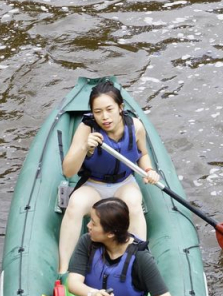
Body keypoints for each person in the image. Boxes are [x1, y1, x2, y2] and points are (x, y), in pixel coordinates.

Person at [59, 81, 161, 275]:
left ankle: (136, 264)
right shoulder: (87, 129)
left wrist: (148, 170)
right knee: (74, 204)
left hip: (124, 183)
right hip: (94, 185)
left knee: (133, 204)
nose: (104, 117)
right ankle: (64, 270)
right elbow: (68, 171)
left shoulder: (135, 126)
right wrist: (84, 147)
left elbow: (144, 154)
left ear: (120, 108)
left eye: (109, 109)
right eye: (98, 112)